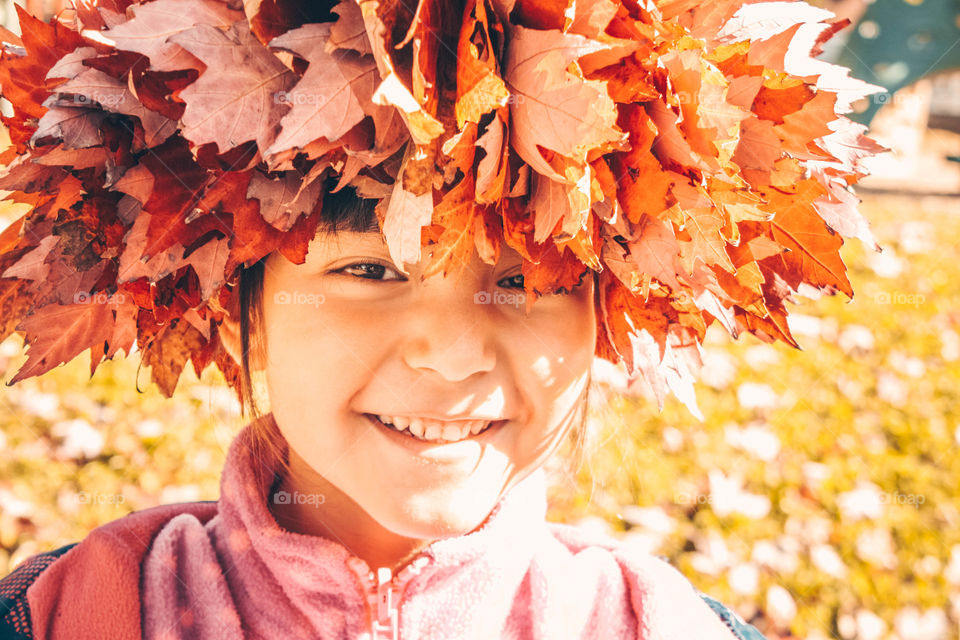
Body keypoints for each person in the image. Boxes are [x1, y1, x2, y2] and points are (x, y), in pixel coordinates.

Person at [0, 0, 883, 637]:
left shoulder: (665, 627)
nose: (455, 352)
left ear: (604, 314)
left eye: (529, 280)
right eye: (372, 267)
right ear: (247, 307)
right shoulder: (75, 612)